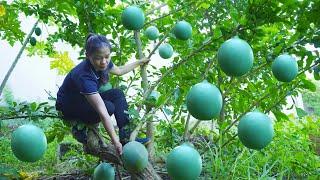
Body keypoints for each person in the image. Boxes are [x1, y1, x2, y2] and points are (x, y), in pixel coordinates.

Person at [55, 33, 150, 155]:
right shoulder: (84, 75)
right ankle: (80, 127)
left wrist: (140, 62)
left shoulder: (103, 61)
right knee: (108, 107)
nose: (104, 62)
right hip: (69, 107)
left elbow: (120, 70)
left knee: (117, 94)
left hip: (83, 99)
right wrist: (115, 141)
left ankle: (126, 137)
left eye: (107, 56)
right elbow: (102, 111)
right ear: (88, 56)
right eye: (99, 58)